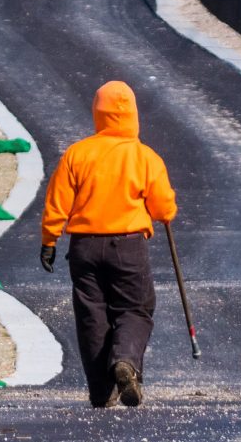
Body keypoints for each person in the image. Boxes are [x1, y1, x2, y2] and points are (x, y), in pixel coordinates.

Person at [40, 81, 177, 408]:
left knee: (92, 316)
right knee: (135, 308)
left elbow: (58, 200)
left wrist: (49, 239)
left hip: (84, 248)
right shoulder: (144, 156)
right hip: (128, 246)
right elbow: (163, 207)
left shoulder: (78, 153)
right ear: (133, 114)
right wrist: (165, 211)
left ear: (97, 114)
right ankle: (125, 361)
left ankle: (101, 392)